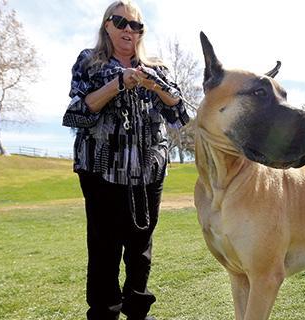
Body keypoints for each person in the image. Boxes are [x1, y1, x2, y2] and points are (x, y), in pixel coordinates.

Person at [62, 1, 189, 319]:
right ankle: (104, 312)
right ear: (107, 25)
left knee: (140, 249)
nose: (129, 30)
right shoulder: (89, 63)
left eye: (136, 25)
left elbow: (179, 118)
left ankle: (137, 311)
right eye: (121, 22)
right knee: (104, 249)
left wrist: (154, 85)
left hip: (148, 171)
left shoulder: (157, 68)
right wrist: (117, 84)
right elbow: (77, 114)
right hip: (101, 171)